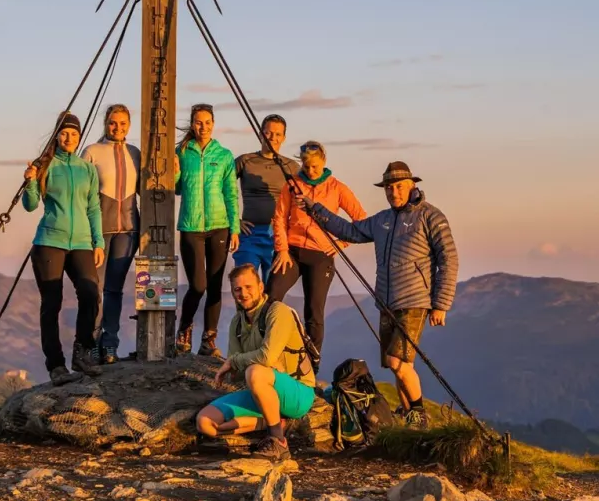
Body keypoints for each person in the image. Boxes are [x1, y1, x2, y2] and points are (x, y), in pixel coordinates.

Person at [296, 161, 456, 429]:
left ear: (412, 186)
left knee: (398, 361)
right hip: (386, 301)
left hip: (415, 300)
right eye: (389, 187)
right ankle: (408, 416)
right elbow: (350, 231)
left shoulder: (431, 216)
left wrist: (440, 304)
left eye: (399, 186)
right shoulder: (383, 219)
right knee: (398, 365)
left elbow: (448, 259)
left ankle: (419, 414)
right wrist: (316, 210)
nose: (394, 192)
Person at [194, 264, 317, 459]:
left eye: (249, 287)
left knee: (255, 371)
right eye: (237, 289)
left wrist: (236, 361)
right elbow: (236, 376)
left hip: (297, 392)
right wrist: (237, 365)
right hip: (261, 391)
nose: (243, 293)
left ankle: (278, 441)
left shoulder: (278, 311)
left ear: (261, 287)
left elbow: (264, 357)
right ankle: (274, 421)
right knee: (205, 423)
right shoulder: (237, 323)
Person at [268, 140, 366, 371]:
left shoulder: (337, 188)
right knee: (270, 297)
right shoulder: (292, 184)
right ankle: (268, 353)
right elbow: (280, 218)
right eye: (306, 165)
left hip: (321, 254)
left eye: (314, 166)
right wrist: (281, 250)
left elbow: (361, 220)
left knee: (314, 310)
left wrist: (341, 242)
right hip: (291, 251)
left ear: (323, 161)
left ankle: (311, 366)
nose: (310, 170)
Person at [22, 112, 105, 385]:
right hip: (49, 242)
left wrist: (98, 241)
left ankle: (82, 353)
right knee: (52, 303)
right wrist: (31, 181)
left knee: (91, 293)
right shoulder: (45, 165)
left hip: (81, 242)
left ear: (80, 137)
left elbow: (93, 207)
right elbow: (30, 205)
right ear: (57, 135)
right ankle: (56, 366)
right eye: (65, 133)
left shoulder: (87, 169)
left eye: (74, 134)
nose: (69, 138)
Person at [173, 103, 241, 356]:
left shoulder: (224, 155)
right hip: (191, 226)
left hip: (219, 227)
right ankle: (185, 330)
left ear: (214, 123)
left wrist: (234, 228)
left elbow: (231, 194)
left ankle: (209, 339)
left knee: (215, 285)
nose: (203, 127)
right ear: (192, 124)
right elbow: (177, 188)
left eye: (207, 122)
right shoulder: (181, 152)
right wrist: (175, 173)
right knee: (197, 285)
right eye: (199, 122)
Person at [81, 104, 141, 365]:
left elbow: (149, 188)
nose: (118, 127)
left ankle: (110, 345)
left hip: (128, 231)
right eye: (113, 123)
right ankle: (91, 343)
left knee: (115, 290)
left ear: (129, 124)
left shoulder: (135, 153)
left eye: (123, 123)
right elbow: (81, 192)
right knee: (95, 289)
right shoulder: (92, 152)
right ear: (105, 123)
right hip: (98, 232)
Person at [233, 114, 300, 283]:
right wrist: (234, 221)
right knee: (245, 284)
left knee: (272, 290)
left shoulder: (291, 167)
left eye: (278, 134)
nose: (273, 138)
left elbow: (302, 199)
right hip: (250, 234)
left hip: (278, 236)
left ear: (284, 138)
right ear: (261, 133)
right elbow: (220, 189)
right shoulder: (245, 161)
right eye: (269, 133)